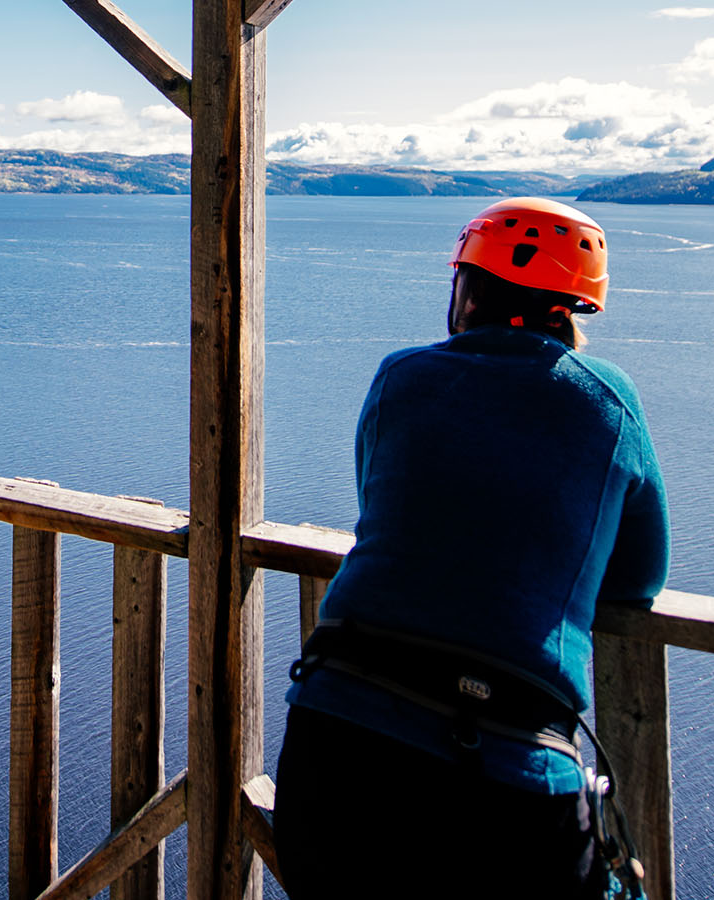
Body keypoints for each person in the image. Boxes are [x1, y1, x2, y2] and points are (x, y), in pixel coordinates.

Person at [276, 197, 668, 898]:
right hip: (509, 767)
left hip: (336, 740)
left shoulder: (401, 376)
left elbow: (382, 509)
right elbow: (640, 577)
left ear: (468, 290)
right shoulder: (608, 401)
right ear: (575, 307)